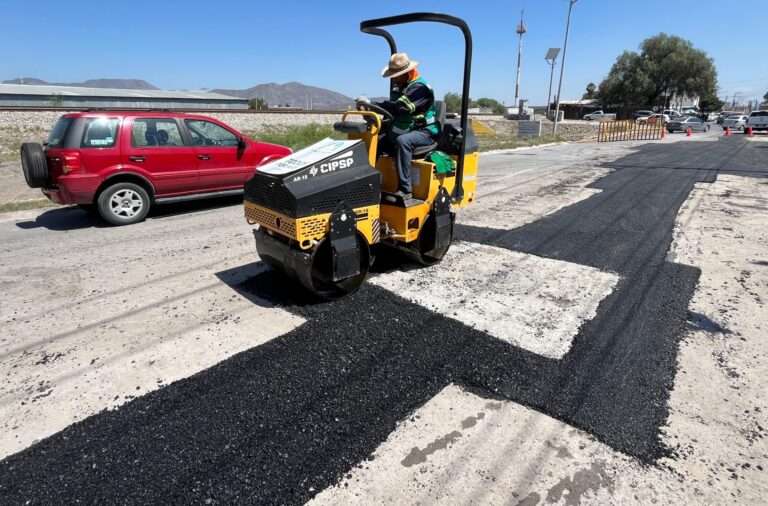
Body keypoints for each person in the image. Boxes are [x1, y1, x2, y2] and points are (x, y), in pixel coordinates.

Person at [358, 52, 438, 201]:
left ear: (408, 72)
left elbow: (401, 108)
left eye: (398, 76)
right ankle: (364, 183)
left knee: (403, 141)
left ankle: (405, 190)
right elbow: (391, 112)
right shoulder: (399, 88)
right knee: (375, 139)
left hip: (424, 132)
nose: (395, 79)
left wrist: (372, 104)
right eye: (393, 76)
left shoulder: (419, 88)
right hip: (406, 128)